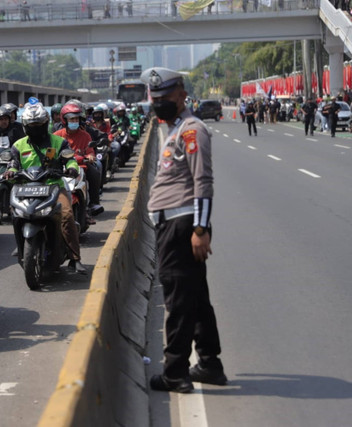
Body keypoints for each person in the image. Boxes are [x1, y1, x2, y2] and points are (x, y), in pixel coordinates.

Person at [140, 67, 227, 393]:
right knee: (196, 297)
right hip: (176, 224)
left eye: (164, 98)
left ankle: (175, 372)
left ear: (181, 95)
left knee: (177, 299)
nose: (159, 103)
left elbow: (202, 181)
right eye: (155, 99)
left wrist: (201, 229)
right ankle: (210, 363)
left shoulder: (191, 131)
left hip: (182, 225)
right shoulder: (175, 129)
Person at [3, 102, 86, 274]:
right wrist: (10, 173)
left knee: (67, 215)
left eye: (38, 125)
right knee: (14, 212)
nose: (35, 129)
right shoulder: (19, 145)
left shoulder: (58, 142)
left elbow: (69, 159)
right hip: (25, 188)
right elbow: (13, 164)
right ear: (25, 126)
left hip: (53, 187)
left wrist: (71, 168)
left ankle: (75, 258)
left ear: (45, 124)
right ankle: (20, 245)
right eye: (31, 126)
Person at [54, 103, 104, 217]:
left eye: (76, 119)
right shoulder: (57, 136)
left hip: (82, 167)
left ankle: (93, 203)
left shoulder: (85, 135)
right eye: (72, 119)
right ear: (64, 120)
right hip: (62, 168)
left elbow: (90, 151)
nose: (75, 121)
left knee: (95, 172)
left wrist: (90, 156)